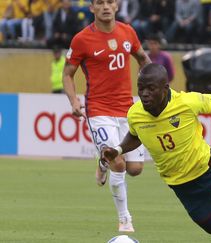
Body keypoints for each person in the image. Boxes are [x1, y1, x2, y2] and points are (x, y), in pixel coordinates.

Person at [102, 63, 211, 238]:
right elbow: (135, 136)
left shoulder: (187, 102)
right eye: (141, 89)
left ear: (165, 88)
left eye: (150, 89)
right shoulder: (135, 114)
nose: (144, 94)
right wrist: (117, 150)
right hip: (183, 187)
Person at [62, 0, 152, 233]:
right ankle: (124, 219)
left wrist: (155, 83)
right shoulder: (81, 39)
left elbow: (143, 59)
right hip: (99, 110)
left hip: (127, 110)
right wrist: (74, 101)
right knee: (119, 163)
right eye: (99, 2)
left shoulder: (128, 32)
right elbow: (67, 74)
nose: (105, 6)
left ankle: (102, 161)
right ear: (92, 8)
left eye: (109, 2)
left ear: (116, 6)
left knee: (136, 168)